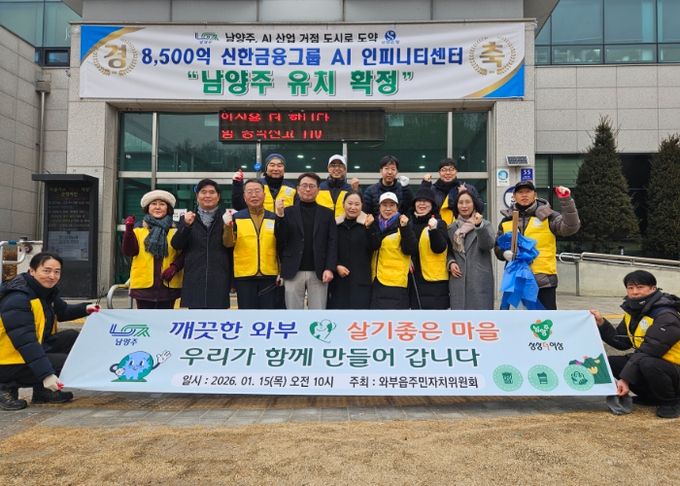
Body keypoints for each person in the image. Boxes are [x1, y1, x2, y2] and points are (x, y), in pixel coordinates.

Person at [0, 252, 99, 410]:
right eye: (46, 271)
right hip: (7, 361)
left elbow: (63, 311)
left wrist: (86, 309)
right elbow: (27, 343)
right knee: (67, 363)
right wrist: (46, 374)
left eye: (56, 272)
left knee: (72, 338)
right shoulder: (18, 298)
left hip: (27, 352)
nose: (52, 276)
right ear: (32, 271)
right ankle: (5, 387)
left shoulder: (43, 292)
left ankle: (42, 392)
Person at [591, 270, 680, 419]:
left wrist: (625, 379)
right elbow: (621, 342)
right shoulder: (633, 312)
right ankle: (650, 397)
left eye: (640, 287)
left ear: (653, 288)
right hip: (653, 362)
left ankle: (671, 402)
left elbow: (650, 350)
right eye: (630, 288)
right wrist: (601, 323)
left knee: (647, 363)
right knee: (610, 362)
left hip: (673, 368)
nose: (635, 292)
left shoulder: (666, 315)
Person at [494, 181, 580, 310]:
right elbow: (497, 246)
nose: (524, 195)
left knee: (545, 321)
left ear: (535, 194)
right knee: (516, 320)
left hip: (543, 281)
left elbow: (571, 227)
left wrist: (566, 201)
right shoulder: (506, 220)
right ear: (514, 196)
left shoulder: (548, 216)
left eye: (528, 191)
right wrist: (503, 253)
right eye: (520, 192)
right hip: (516, 282)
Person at [275, 173, 338, 309]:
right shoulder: (287, 212)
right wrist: (280, 216)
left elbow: (332, 242)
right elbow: (280, 239)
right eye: (304, 186)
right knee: (293, 313)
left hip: (319, 271)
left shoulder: (327, 214)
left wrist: (329, 268)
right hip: (293, 270)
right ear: (298, 189)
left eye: (312, 186)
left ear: (318, 190)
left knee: (318, 313)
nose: (308, 189)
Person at [171, 179, 232, 309]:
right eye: (203, 192)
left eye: (212, 192)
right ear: (197, 196)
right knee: (196, 320)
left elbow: (231, 249)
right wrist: (186, 226)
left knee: (218, 319)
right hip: (194, 279)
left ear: (218, 196)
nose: (208, 195)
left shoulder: (227, 219)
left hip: (219, 280)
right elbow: (176, 245)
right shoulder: (187, 218)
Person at [223, 179, 280, 309]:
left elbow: (281, 246)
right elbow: (228, 244)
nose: (254, 195)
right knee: (247, 314)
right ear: (244, 196)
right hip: (244, 275)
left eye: (257, 191)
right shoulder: (236, 218)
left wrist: (281, 272)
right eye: (249, 192)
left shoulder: (274, 218)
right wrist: (227, 227)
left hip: (269, 273)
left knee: (269, 314)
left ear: (264, 195)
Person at [122, 189, 183, 309]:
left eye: (162, 204)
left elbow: (184, 253)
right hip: (143, 287)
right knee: (145, 319)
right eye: (153, 204)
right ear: (148, 208)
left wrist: (174, 267)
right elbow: (129, 251)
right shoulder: (138, 228)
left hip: (168, 286)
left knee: (166, 319)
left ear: (168, 208)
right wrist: (128, 230)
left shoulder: (175, 229)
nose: (158, 207)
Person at [328, 191, 380, 309]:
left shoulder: (368, 223)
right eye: (350, 203)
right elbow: (329, 249)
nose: (353, 207)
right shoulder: (335, 224)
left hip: (361, 280)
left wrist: (369, 228)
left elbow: (375, 245)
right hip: (339, 281)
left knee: (359, 315)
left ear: (362, 206)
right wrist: (336, 266)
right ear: (343, 204)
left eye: (357, 204)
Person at [448, 186, 495, 310]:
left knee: (480, 318)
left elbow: (488, 245)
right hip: (458, 280)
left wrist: (479, 227)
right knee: (459, 319)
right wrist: (451, 262)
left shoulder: (485, 224)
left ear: (474, 204)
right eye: (460, 202)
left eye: (468, 202)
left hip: (478, 279)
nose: (464, 206)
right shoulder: (452, 228)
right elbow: (449, 252)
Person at [369, 192, 418, 309]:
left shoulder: (404, 223)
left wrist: (405, 228)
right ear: (379, 207)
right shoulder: (373, 223)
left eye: (392, 205)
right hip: (377, 281)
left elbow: (411, 249)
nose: (388, 209)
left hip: (397, 283)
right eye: (384, 205)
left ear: (397, 207)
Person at [407, 187, 449, 309]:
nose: (422, 204)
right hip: (414, 280)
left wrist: (433, 230)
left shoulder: (439, 223)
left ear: (432, 204)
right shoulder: (408, 224)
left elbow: (439, 248)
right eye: (419, 200)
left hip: (434, 283)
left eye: (426, 201)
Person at [421, 158, 482, 225]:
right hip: (436, 227)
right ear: (439, 172)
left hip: (462, 227)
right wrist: (425, 186)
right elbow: (421, 207)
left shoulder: (468, 188)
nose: (447, 173)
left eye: (451, 169)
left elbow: (480, 208)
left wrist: (467, 195)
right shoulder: (432, 190)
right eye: (444, 170)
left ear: (456, 172)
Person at [232, 153, 297, 213]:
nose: (276, 169)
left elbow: (298, 212)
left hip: (285, 222)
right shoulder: (256, 185)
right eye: (272, 165)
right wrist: (237, 185)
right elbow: (239, 206)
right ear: (266, 168)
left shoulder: (292, 188)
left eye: (279, 166)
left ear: (284, 169)